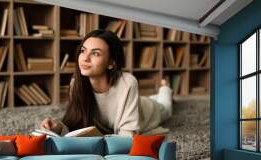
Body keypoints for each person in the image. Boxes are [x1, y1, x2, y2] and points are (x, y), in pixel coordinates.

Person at [40, 29, 172, 136]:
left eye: (95, 53)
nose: (85, 58)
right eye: (83, 51)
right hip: (135, 102)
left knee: (166, 107)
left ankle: (165, 87)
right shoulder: (76, 83)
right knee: (145, 99)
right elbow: (74, 123)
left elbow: (128, 137)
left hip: (148, 111)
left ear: (111, 63)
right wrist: (56, 128)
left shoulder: (128, 83)